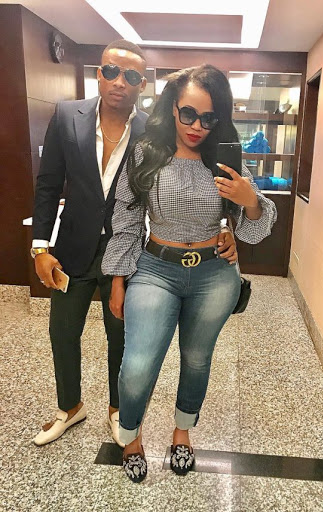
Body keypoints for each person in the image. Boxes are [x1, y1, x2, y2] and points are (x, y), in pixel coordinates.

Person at [31, 39, 237, 449]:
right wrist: (40, 246)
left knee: (123, 343)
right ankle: (69, 407)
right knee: (62, 333)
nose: (118, 82)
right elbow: (49, 184)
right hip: (72, 250)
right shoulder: (67, 116)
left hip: (131, 254)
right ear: (98, 72)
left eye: (130, 75)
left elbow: (195, 190)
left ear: (142, 84)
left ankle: (117, 411)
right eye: (110, 71)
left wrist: (226, 226)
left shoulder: (154, 132)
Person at [101, 64, 277, 482]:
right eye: (189, 114)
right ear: (172, 108)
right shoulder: (146, 152)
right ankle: (131, 437)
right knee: (138, 363)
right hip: (155, 269)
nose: (198, 126)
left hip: (214, 275)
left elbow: (254, 229)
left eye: (208, 117)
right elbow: (126, 220)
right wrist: (118, 280)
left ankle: (182, 433)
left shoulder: (226, 158)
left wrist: (250, 200)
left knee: (197, 359)